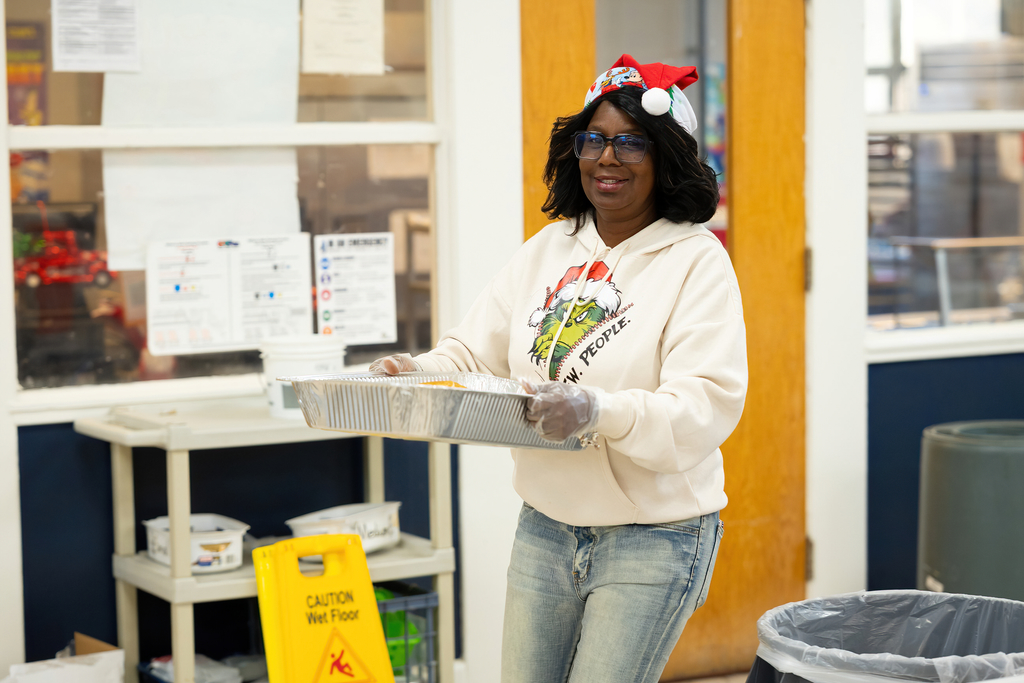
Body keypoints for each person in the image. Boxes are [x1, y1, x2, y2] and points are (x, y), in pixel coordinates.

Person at [371, 54, 747, 683]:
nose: (608, 157)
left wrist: (595, 408)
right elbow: (472, 352)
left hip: (653, 538)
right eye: (594, 140)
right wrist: (416, 369)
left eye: (632, 143)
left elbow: (703, 408)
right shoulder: (548, 249)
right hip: (546, 527)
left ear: (666, 157)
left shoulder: (696, 261)